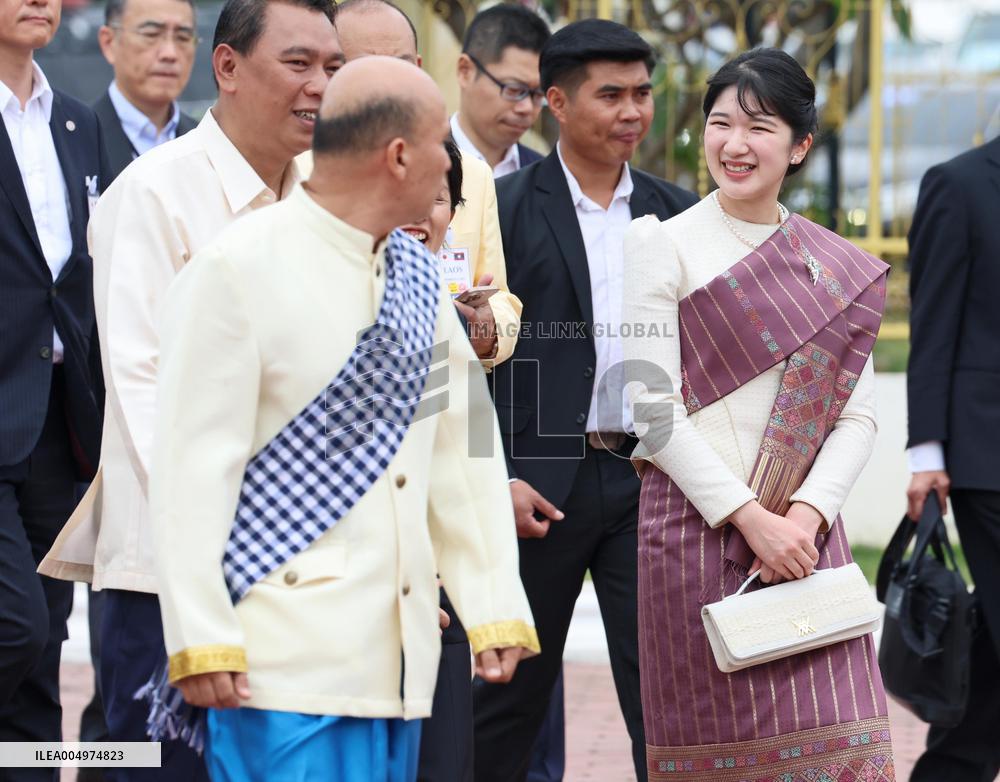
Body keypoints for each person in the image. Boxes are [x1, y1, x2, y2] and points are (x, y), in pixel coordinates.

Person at [149, 55, 539, 782]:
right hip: (278, 663)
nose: (447, 173)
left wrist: (493, 603)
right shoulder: (236, 271)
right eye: (439, 150)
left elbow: (465, 450)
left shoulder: (419, 279)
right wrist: (200, 634)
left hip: (397, 661)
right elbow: (190, 468)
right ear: (398, 157)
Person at [37, 0, 343, 777]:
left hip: (295, 562)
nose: (320, 87)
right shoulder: (155, 194)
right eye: (299, 64)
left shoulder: (324, 197)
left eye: (332, 69)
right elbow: (143, 390)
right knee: (149, 764)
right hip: (167, 567)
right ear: (229, 68)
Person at [622, 48, 895, 781]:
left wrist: (803, 518)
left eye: (759, 127)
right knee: (716, 749)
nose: (734, 145)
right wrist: (752, 519)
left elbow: (856, 416)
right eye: (719, 123)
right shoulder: (661, 245)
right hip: (697, 535)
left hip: (807, 544)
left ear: (800, 145)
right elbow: (650, 409)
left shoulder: (832, 265)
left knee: (843, 746)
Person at [473, 20, 697, 782]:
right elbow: (468, 361)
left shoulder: (679, 213)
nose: (633, 110)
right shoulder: (503, 209)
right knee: (505, 695)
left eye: (642, 93)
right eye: (612, 94)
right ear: (558, 103)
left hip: (647, 481)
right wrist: (493, 475)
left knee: (664, 696)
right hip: (535, 486)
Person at [0, 0, 108, 768]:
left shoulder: (75, 120)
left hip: (59, 417)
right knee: (17, 626)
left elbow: (71, 276)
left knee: (44, 646)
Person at [327, 0, 522, 367]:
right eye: (363, 70)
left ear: (418, 68)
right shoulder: (302, 171)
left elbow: (502, 300)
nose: (385, 86)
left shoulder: (471, 173)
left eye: (399, 68)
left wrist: (485, 330)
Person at [905, 136, 1000, 781]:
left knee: (991, 643)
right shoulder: (959, 183)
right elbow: (932, 322)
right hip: (987, 457)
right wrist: (927, 453)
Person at [94, 0, 198, 183]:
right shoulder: (79, 140)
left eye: (182, 37)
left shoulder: (206, 141)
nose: (170, 54)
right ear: (109, 42)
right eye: (151, 34)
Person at [452, 3, 549, 174]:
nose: (526, 108)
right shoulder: (419, 162)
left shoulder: (547, 176)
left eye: (538, 94)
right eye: (514, 89)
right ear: (465, 71)